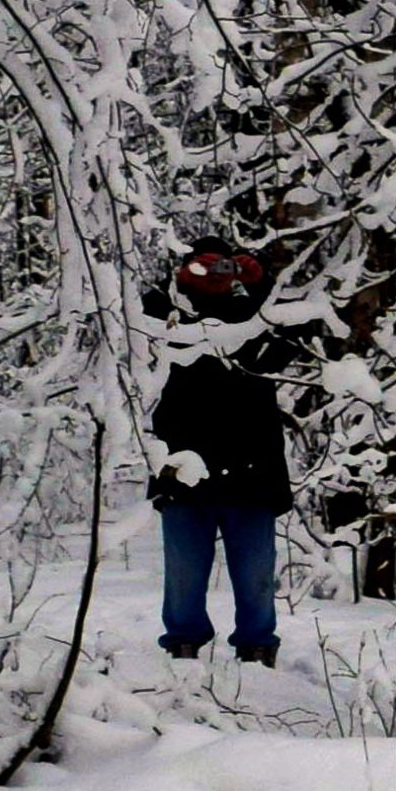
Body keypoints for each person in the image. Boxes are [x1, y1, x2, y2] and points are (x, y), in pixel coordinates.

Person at [148, 240, 297, 664]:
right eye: (204, 268)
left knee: (255, 576)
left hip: (253, 470)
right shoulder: (169, 313)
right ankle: (183, 645)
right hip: (180, 467)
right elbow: (137, 323)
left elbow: (291, 337)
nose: (214, 276)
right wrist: (177, 281)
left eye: (224, 269)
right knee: (183, 574)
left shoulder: (256, 313)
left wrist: (262, 279)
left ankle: (256, 648)